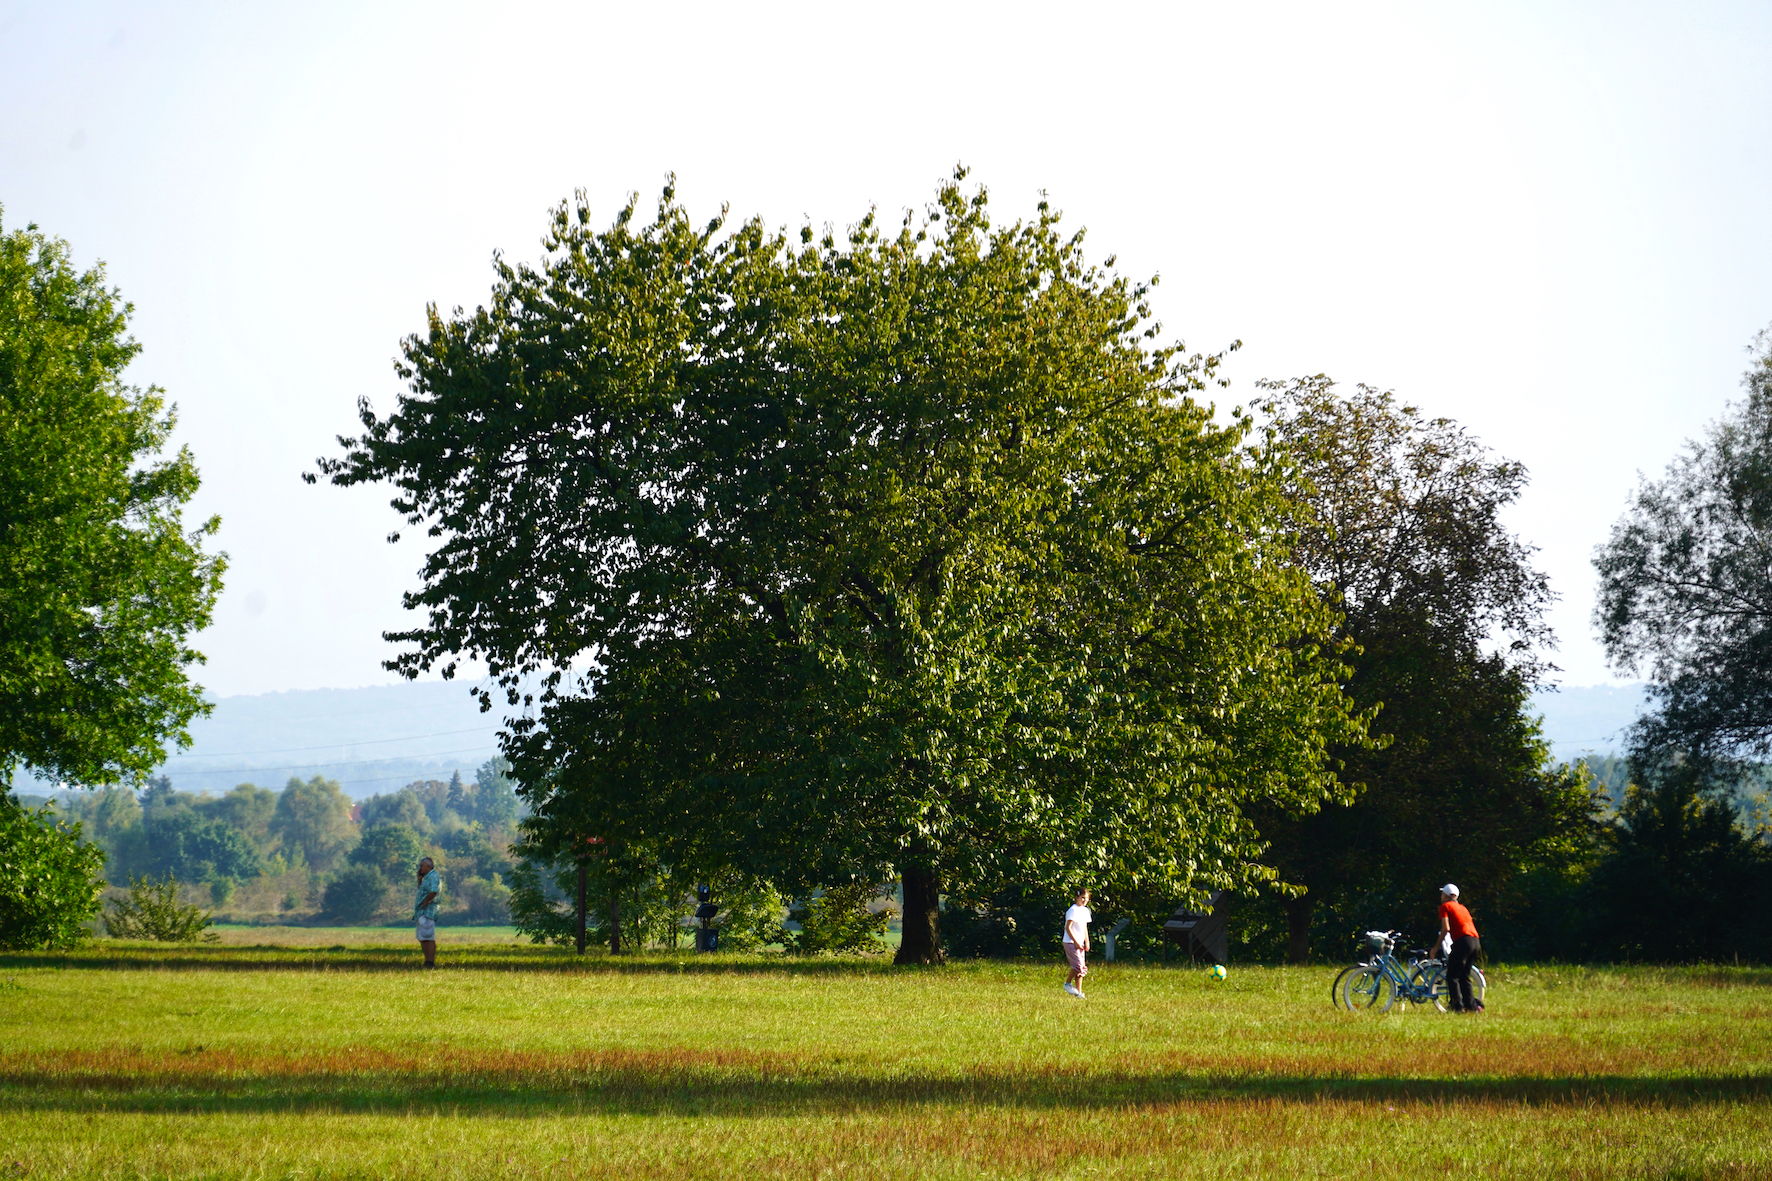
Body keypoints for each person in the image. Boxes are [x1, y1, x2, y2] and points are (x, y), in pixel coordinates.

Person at [1437, 883, 1482, 1013]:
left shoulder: (1445, 906)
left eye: (1442, 894)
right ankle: (1471, 1006)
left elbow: (1446, 928)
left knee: (1452, 976)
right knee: (1464, 976)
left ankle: (1457, 1006)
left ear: (1445, 895)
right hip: (1475, 941)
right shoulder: (1462, 907)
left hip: (1463, 942)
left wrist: (1435, 947)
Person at [1061, 888, 1092, 998]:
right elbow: (1068, 927)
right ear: (1076, 898)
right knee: (1078, 966)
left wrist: (1087, 942)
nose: (1084, 900)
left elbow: (1084, 928)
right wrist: (1075, 941)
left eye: (1086, 898)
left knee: (1080, 968)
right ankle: (1067, 984)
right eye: (1082, 898)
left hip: (1080, 942)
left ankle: (1078, 992)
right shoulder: (1073, 910)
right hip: (1070, 942)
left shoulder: (1085, 911)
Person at [415, 856, 440, 968]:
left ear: (428, 866)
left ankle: (430, 962)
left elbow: (433, 891)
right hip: (422, 911)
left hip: (427, 911)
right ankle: (427, 961)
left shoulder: (433, 877)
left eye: (421, 866)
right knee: (423, 937)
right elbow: (422, 890)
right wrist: (419, 879)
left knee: (428, 937)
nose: (420, 868)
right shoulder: (427, 878)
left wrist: (425, 902)